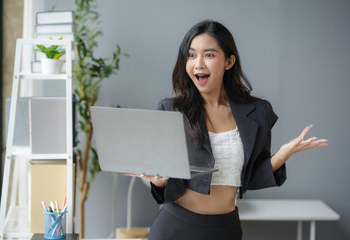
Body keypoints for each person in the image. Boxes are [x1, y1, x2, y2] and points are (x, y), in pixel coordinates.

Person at [127, 20, 329, 240]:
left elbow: (249, 179)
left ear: (229, 61)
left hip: (226, 228)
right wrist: (160, 181)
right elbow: (164, 177)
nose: (198, 64)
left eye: (209, 55)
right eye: (191, 55)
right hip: (175, 226)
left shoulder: (257, 112)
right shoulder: (170, 110)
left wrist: (282, 155)